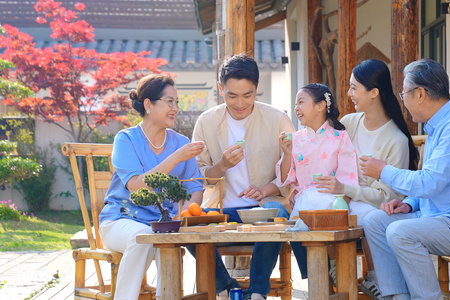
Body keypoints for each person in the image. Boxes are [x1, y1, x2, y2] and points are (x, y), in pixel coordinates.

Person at [360, 58, 450, 300]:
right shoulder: (439, 126)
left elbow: (430, 181)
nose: (404, 101)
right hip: (439, 216)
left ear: (420, 94)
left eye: (405, 94)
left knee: (401, 233)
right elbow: (435, 181)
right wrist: (410, 203)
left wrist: (383, 171)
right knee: (375, 221)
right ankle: (398, 297)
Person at [191, 53, 294, 299]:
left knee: (278, 215)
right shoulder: (206, 121)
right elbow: (199, 174)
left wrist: (267, 188)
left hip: (265, 208)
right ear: (220, 89)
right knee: (189, 226)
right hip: (222, 209)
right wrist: (222, 165)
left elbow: (295, 173)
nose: (240, 103)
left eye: (247, 95)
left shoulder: (277, 119)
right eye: (232, 95)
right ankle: (226, 286)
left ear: (257, 89)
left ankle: (257, 292)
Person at [315, 59, 419, 299]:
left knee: (364, 217)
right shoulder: (350, 122)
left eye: (354, 87)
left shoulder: (396, 139)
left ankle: (373, 279)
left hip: (374, 206)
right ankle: (333, 271)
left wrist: (347, 190)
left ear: (373, 92)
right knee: (317, 207)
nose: (350, 93)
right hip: (345, 198)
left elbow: (387, 197)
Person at [244, 83, 359, 300]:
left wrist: (338, 205)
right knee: (300, 219)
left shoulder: (339, 137)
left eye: (301, 102)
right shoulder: (295, 139)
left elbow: (347, 177)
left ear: (321, 105)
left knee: (302, 219)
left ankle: (325, 277)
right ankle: (320, 280)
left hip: (330, 204)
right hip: (304, 206)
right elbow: (286, 179)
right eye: (295, 103)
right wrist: (287, 154)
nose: (296, 108)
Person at [98, 74, 205, 300]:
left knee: (169, 241)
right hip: (120, 221)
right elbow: (136, 186)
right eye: (169, 101)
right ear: (148, 104)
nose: (175, 108)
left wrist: (185, 212)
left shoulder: (180, 143)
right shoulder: (126, 139)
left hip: (164, 226)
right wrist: (175, 158)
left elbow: (195, 186)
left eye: (177, 102)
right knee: (143, 236)